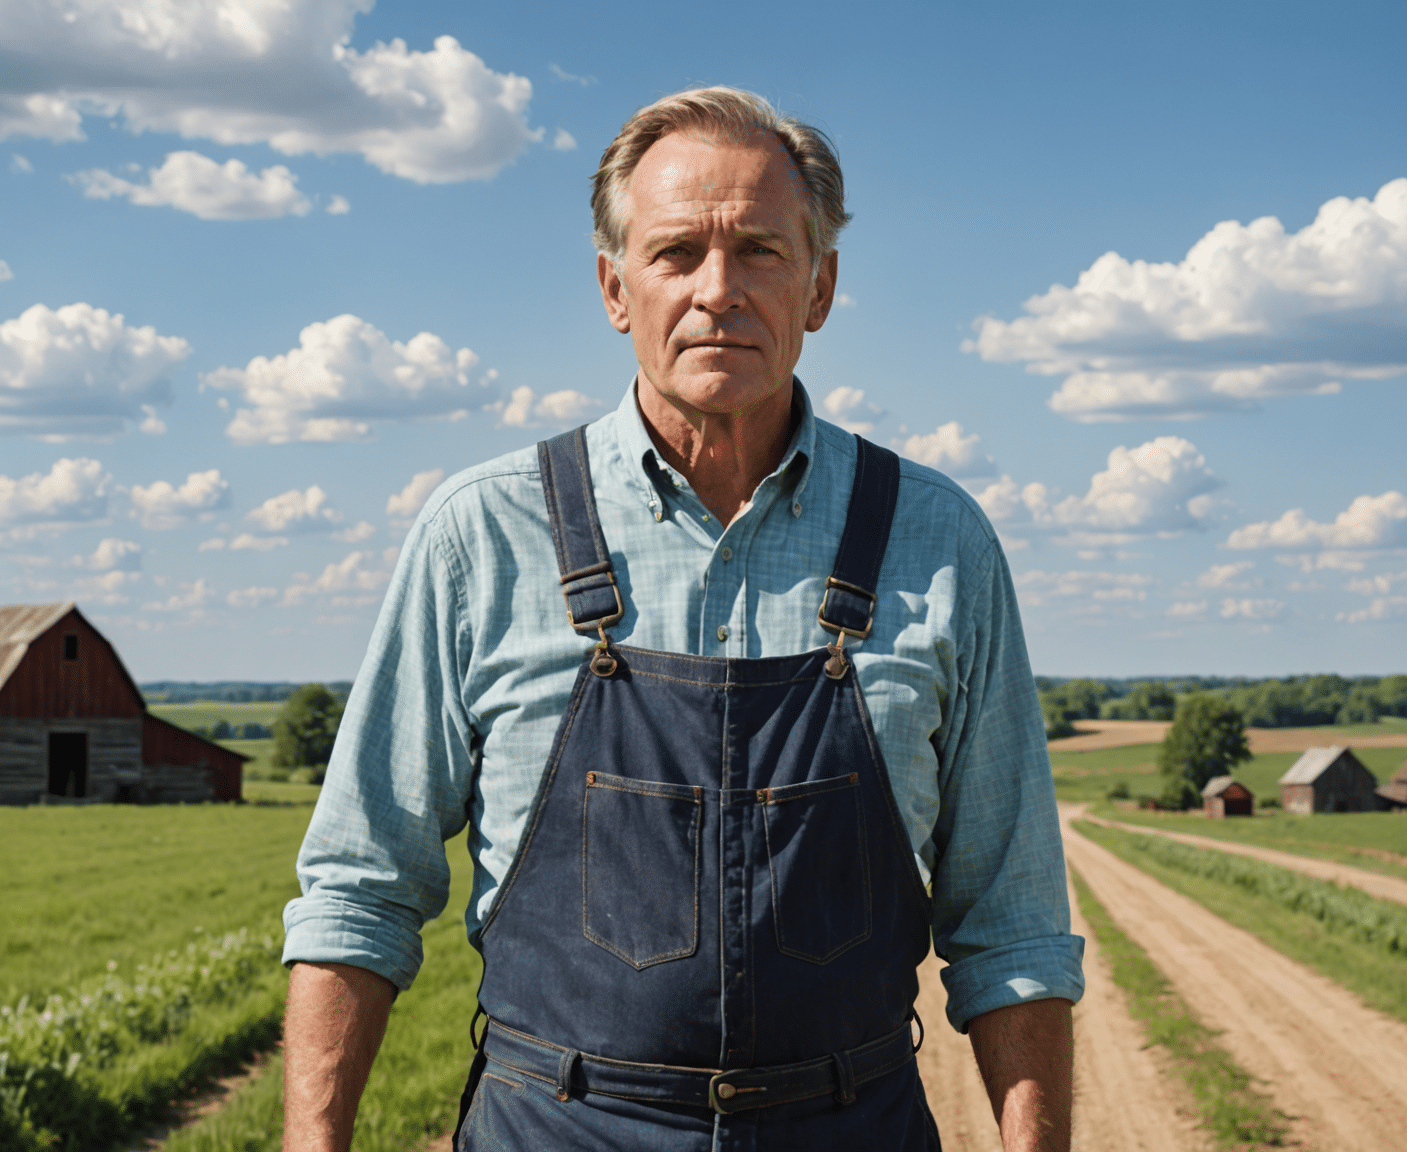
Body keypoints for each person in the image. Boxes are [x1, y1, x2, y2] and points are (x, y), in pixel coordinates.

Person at [281, 86, 1082, 1152]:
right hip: (556, 1129)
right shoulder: (483, 534)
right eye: (675, 254)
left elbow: (1012, 925)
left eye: (759, 249)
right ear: (616, 289)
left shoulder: (938, 543)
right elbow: (360, 890)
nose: (719, 291)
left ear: (822, 287)